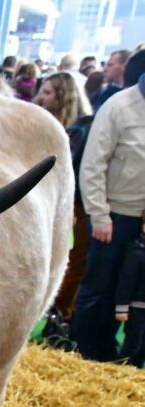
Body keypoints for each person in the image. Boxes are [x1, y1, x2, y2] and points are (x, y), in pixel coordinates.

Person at [72, 66, 145, 361]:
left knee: (133, 293)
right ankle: (89, 351)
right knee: (100, 287)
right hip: (113, 215)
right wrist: (99, 215)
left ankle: (123, 354)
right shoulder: (119, 106)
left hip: (141, 221)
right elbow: (92, 165)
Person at [35, 72, 93, 323]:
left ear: (63, 97)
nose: (41, 98)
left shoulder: (77, 131)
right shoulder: (47, 125)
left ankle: (60, 313)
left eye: (47, 93)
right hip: (58, 200)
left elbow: (69, 171)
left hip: (75, 203)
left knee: (70, 261)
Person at [115, 224, 145, 367]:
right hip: (137, 309)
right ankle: (121, 369)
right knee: (133, 343)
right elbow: (125, 283)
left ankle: (136, 370)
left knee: (142, 345)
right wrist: (122, 308)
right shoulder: (136, 255)